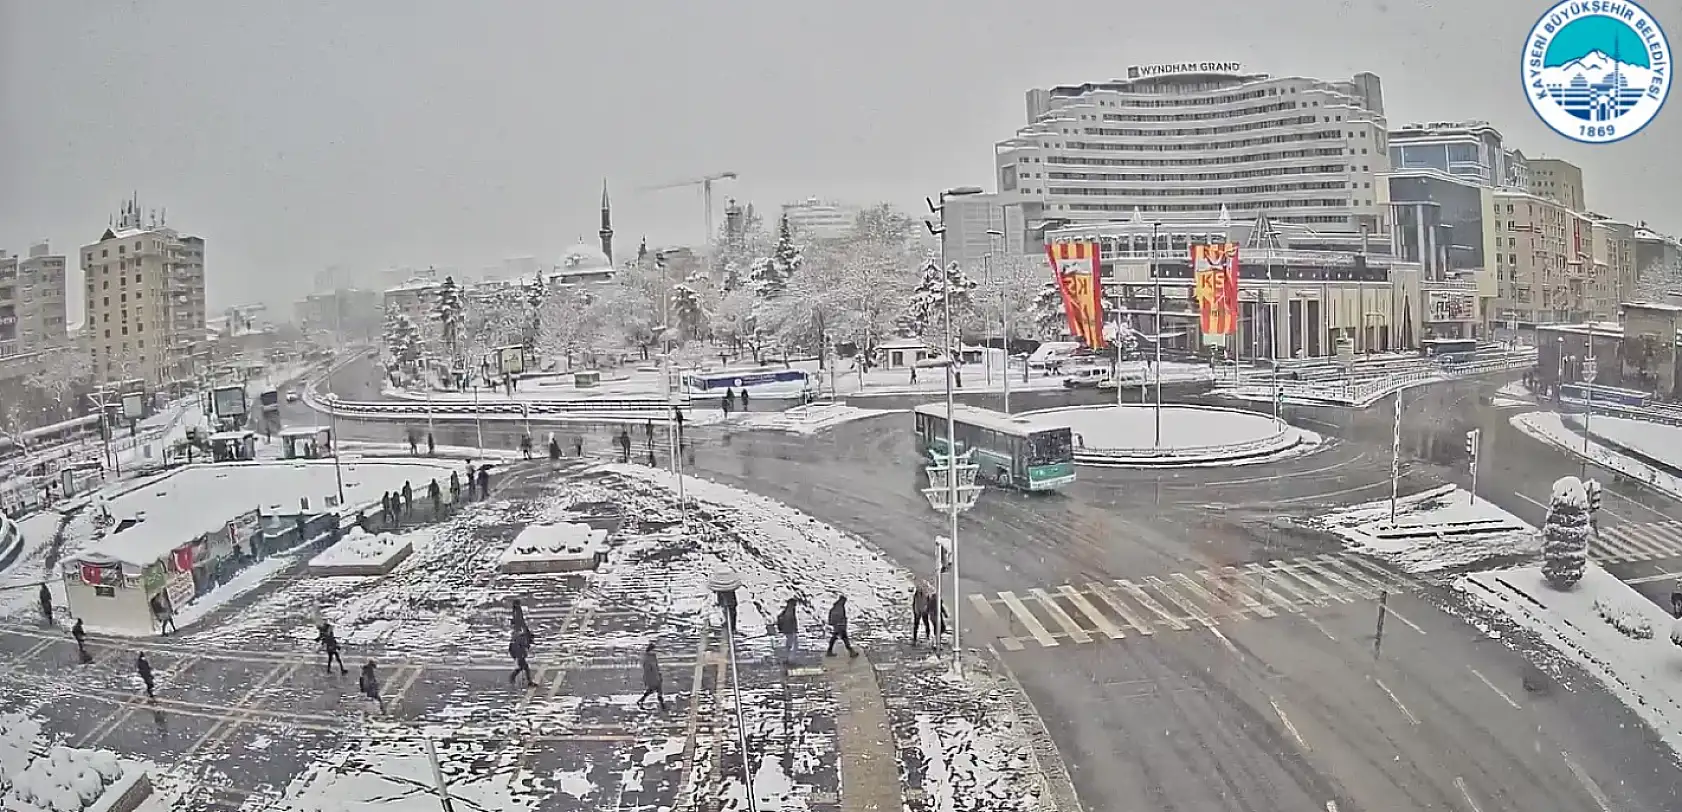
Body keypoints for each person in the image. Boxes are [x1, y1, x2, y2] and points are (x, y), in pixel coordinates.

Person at [639, 642, 667, 710]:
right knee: (655, 690)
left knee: (655, 690)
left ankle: (641, 701)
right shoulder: (647, 658)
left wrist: (659, 674)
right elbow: (648, 670)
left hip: (656, 676)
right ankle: (663, 706)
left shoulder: (653, 657)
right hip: (652, 677)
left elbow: (656, 667)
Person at [911, 580, 936, 645]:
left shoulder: (925, 594)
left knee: (926, 623)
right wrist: (915, 610)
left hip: (923, 610)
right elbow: (914, 603)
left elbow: (928, 602)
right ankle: (915, 638)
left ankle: (927, 636)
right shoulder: (917, 595)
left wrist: (928, 609)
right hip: (918, 610)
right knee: (917, 625)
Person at [775, 598, 800, 662]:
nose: (795, 605)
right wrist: (793, 628)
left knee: (791, 643)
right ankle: (788, 658)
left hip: (789, 629)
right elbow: (790, 620)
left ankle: (788, 658)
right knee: (792, 644)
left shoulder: (789, 610)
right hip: (789, 629)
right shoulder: (789, 610)